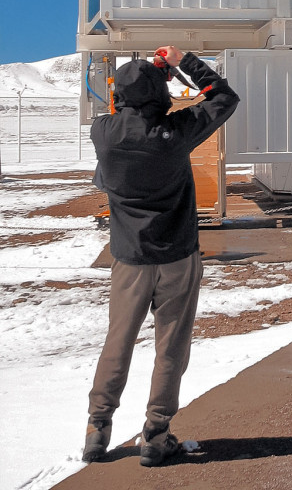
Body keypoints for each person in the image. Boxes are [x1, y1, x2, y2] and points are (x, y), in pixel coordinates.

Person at [82, 47, 240, 468]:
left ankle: (98, 428)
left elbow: (121, 109)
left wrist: (154, 79)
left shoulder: (103, 133)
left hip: (129, 258)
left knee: (118, 341)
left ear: (119, 96)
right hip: (177, 256)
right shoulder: (176, 133)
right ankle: (156, 432)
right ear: (160, 94)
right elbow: (223, 99)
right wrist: (183, 62)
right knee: (171, 347)